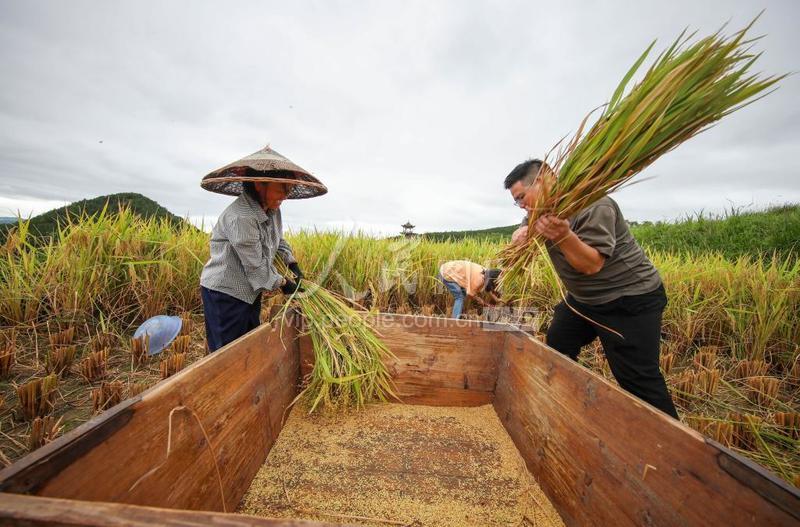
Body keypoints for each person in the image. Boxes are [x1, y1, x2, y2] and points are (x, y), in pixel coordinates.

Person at [504, 159, 678, 418]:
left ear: (541, 181)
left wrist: (563, 236)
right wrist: (522, 230)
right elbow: (528, 220)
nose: (521, 205)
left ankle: (673, 447)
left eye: (521, 197)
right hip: (584, 299)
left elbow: (591, 264)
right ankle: (565, 406)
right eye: (517, 202)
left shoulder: (594, 204)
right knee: (559, 342)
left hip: (628, 299)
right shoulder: (541, 208)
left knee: (638, 380)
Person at [199, 145, 327, 352]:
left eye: (288, 189)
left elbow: (278, 240)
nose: (285, 195)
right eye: (281, 189)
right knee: (227, 352)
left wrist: (292, 264)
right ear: (260, 183)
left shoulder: (272, 208)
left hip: (250, 291)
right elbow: (256, 267)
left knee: (249, 344)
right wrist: (285, 284)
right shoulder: (241, 217)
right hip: (226, 293)